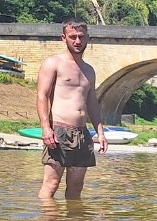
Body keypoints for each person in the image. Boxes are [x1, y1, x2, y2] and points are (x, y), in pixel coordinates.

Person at [36, 18, 107, 200]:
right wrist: (46, 128)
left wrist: (100, 132)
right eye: (72, 37)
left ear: (87, 38)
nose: (77, 41)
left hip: (82, 134)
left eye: (81, 37)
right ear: (63, 38)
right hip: (59, 131)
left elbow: (92, 103)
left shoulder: (89, 70)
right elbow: (42, 95)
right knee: (51, 184)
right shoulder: (53, 63)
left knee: (76, 188)